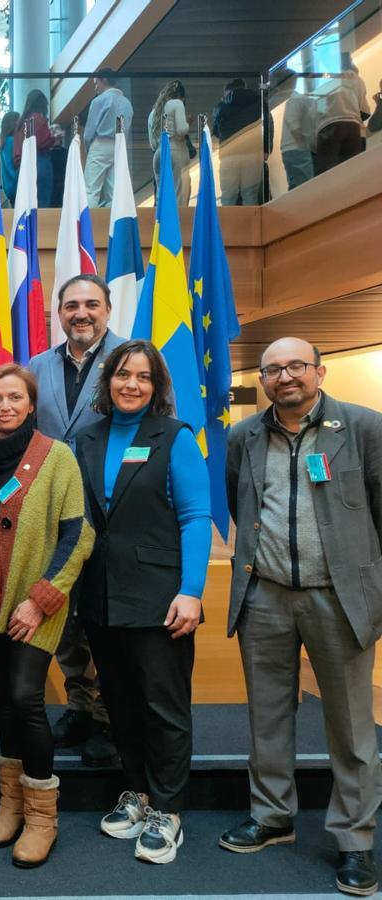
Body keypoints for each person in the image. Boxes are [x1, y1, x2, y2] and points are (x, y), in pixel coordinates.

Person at [218, 338, 382, 898]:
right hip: (264, 595)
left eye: (295, 366)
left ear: (319, 371)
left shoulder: (363, 428)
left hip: (337, 597)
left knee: (352, 725)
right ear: (261, 379)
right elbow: (240, 502)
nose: (284, 376)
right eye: (272, 369)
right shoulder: (243, 436)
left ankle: (355, 841)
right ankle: (272, 818)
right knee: (267, 716)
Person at [74, 339, 211, 866]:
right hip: (102, 595)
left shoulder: (173, 436)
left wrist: (192, 591)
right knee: (121, 703)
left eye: (143, 377)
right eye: (122, 374)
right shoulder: (88, 438)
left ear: (157, 387)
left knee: (164, 705)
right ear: (107, 381)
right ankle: (138, 792)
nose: (131, 384)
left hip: (161, 597)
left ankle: (168, 811)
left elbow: (196, 516)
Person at [0, 364, 94, 868]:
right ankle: (11, 802)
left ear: (31, 404)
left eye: (15, 397)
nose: (5, 407)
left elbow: (78, 533)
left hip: (36, 605)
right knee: (6, 702)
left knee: (26, 697)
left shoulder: (56, 456)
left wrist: (40, 597)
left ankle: (42, 816)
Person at [27, 273, 125, 768]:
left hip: (114, 512)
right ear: (58, 313)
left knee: (105, 618)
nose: (80, 313)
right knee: (63, 617)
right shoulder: (37, 366)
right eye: (70, 306)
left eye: (91, 304)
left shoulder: (133, 360)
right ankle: (79, 705)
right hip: (55, 513)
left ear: (107, 309)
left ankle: (110, 716)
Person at [84, 68, 134, 207]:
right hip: (118, 146)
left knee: (91, 190)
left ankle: (90, 225)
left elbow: (89, 132)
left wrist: (89, 148)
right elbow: (126, 129)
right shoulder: (127, 104)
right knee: (114, 193)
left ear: (104, 80)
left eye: (96, 83)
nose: (95, 87)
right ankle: (111, 225)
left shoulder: (98, 101)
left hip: (100, 144)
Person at [213, 78, 266, 206]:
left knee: (228, 197)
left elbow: (215, 131)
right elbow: (268, 123)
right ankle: (251, 226)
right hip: (252, 154)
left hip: (229, 155)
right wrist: (266, 149)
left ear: (227, 91)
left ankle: (228, 226)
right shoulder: (258, 101)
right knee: (250, 196)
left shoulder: (221, 106)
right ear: (244, 87)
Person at [314, 61, 370, 175]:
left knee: (328, 172)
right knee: (353, 169)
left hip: (327, 127)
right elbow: (364, 110)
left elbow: (318, 110)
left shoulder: (323, 82)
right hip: (353, 126)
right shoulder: (356, 79)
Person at [147, 80, 191, 208]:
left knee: (161, 196)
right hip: (176, 149)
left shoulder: (154, 112)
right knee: (179, 194)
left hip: (159, 152)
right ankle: (177, 226)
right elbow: (182, 130)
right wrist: (188, 123)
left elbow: (152, 143)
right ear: (181, 96)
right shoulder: (177, 104)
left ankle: (161, 227)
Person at [275, 70, 319, 190]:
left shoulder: (298, 100)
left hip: (290, 148)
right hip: (297, 148)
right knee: (306, 187)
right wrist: (305, 145)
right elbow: (295, 127)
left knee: (296, 186)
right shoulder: (297, 100)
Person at [13, 89, 55, 207]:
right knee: (42, 205)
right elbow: (42, 141)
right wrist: (54, 137)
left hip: (22, 166)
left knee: (24, 207)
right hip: (39, 162)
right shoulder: (39, 119)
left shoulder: (20, 123)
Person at [0, 111, 21, 207]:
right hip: (16, 186)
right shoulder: (12, 142)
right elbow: (15, 167)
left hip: (9, 187)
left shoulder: (4, 142)